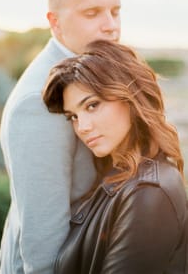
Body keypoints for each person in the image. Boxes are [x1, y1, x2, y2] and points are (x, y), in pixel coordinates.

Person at [0, 0, 121, 273]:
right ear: (55, 22)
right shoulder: (37, 102)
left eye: (115, 11)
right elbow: (43, 236)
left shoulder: (87, 70)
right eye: (92, 13)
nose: (110, 25)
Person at [43, 39, 188, 274]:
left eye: (91, 106)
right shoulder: (116, 175)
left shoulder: (149, 193)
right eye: (73, 117)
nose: (82, 127)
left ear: (130, 97)